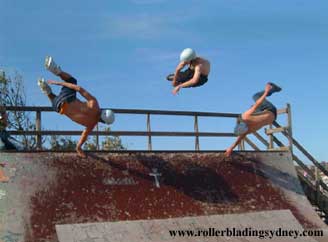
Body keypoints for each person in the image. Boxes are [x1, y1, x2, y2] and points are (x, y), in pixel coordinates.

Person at [38, 56, 115, 158]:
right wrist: (78, 148)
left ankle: (56, 70)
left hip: (68, 97)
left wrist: (59, 82)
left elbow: (78, 88)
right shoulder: (91, 125)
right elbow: (82, 139)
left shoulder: (94, 104)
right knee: (55, 102)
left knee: (73, 80)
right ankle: (46, 91)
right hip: (60, 107)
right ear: (103, 122)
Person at [225, 82, 282, 157]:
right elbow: (258, 103)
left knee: (254, 109)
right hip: (270, 109)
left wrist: (231, 148)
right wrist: (266, 92)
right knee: (256, 96)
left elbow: (239, 138)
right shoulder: (245, 117)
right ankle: (271, 89)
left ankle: (257, 105)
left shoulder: (248, 130)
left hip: (273, 118)